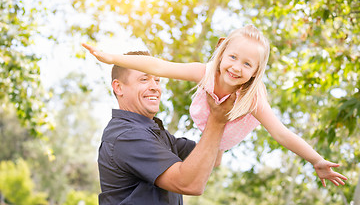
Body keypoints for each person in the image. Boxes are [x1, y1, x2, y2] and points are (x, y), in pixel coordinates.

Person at [83, 24, 348, 187]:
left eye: (247, 64)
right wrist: (112, 58)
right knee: (210, 154)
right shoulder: (206, 71)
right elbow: (160, 66)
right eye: (233, 57)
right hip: (209, 117)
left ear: (256, 71)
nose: (236, 67)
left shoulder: (253, 97)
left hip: (231, 126)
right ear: (222, 53)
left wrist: (316, 160)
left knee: (216, 153)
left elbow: (281, 133)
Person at [96, 50, 236, 204]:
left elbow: (213, 157)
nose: (155, 87)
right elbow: (190, 184)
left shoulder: (155, 133)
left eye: (157, 80)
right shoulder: (126, 136)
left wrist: (223, 92)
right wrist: (217, 120)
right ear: (119, 87)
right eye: (144, 79)